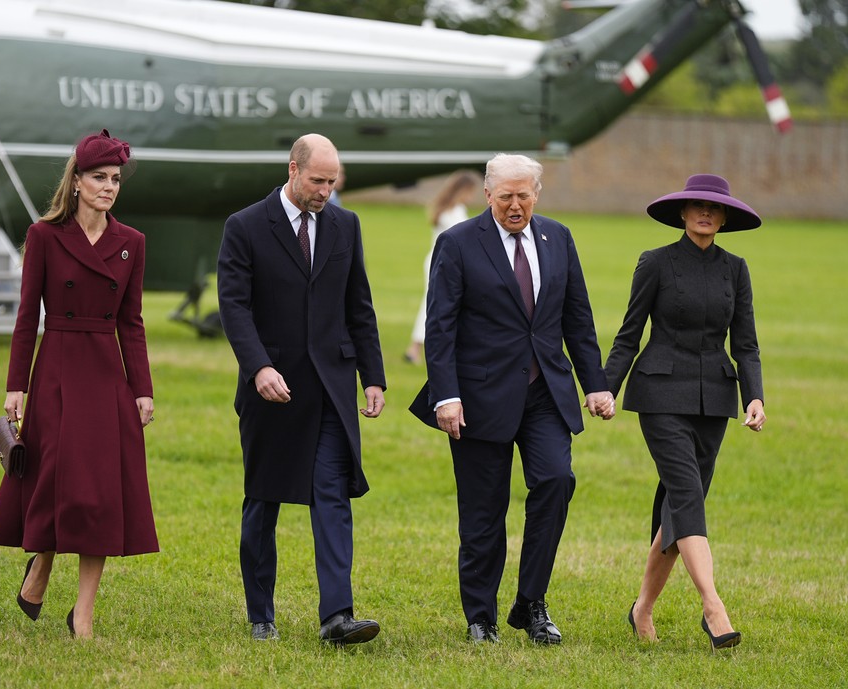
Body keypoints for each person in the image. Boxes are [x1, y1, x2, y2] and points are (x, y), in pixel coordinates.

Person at [410, 153, 615, 645]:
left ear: (537, 194)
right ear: (487, 195)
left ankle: (531, 603)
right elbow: (440, 327)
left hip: (544, 391)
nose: (516, 205)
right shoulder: (457, 243)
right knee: (483, 512)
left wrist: (597, 383)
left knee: (556, 480)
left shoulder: (558, 237)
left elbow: (577, 318)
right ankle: (481, 618)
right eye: (506, 197)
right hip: (477, 397)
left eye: (524, 195)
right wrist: (447, 396)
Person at [0, 129, 157, 640]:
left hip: (107, 373)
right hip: (56, 364)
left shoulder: (132, 244)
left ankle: (83, 613)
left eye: (116, 180)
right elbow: (25, 315)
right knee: (57, 479)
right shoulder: (44, 237)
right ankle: (41, 563)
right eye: (99, 178)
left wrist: (142, 389)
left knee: (99, 491)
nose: (109, 188)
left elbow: (132, 322)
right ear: (76, 182)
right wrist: (17, 384)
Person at [217, 133, 386, 644]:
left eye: (332, 182)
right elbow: (234, 307)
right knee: (263, 500)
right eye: (317, 180)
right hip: (273, 388)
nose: (325, 191)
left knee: (332, 496)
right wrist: (258, 367)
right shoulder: (245, 226)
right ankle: (260, 613)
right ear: (293, 170)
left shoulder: (345, 225)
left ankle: (337, 615)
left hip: (332, 388)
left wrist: (373, 375)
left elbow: (359, 304)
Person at [603, 174, 766, 651]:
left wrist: (754, 396)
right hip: (659, 396)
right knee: (687, 493)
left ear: (724, 218)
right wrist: (604, 388)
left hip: (715, 399)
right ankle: (713, 607)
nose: (705, 214)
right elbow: (629, 333)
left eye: (714, 209)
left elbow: (747, 344)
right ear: (682, 212)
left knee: (679, 505)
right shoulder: (655, 263)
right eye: (697, 206)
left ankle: (642, 609)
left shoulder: (735, 269)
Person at [404, 170, 482, 365]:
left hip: (437, 260)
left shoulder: (449, 209)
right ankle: (415, 348)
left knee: (438, 304)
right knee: (433, 305)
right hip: (442, 262)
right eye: (471, 191)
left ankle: (424, 348)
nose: (472, 196)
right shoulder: (453, 212)